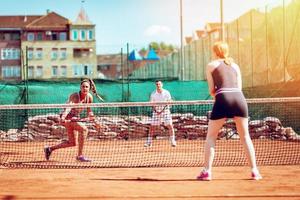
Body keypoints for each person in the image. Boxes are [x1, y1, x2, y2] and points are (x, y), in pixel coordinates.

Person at [196, 41, 262, 180]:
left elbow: (212, 90)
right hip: (239, 99)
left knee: (211, 137)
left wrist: (219, 96)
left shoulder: (211, 65)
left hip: (223, 98)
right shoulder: (236, 66)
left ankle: (207, 172)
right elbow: (239, 88)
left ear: (215, 51)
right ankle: (255, 171)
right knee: (245, 137)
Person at [44, 79, 96, 162]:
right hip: (66, 117)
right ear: (80, 87)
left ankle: (49, 149)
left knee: (72, 143)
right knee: (84, 129)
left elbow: (89, 110)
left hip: (74, 118)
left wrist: (94, 120)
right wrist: (63, 118)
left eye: (86, 87)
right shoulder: (75, 96)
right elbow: (69, 107)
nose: (84, 88)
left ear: (89, 88)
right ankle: (80, 156)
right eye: (83, 86)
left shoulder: (89, 97)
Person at [144, 80, 176, 147]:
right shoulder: (153, 94)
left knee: (170, 125)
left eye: (159, 84)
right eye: (157, 84)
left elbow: (169, 102)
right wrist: (156, 111)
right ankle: (149, 142)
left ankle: (173, 141)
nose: (158, 86)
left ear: (162, 85)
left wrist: (162, 111)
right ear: (156, 86)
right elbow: (152, 104)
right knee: (152, 127)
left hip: (165, 111)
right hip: (156, 112)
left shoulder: (166, 92)